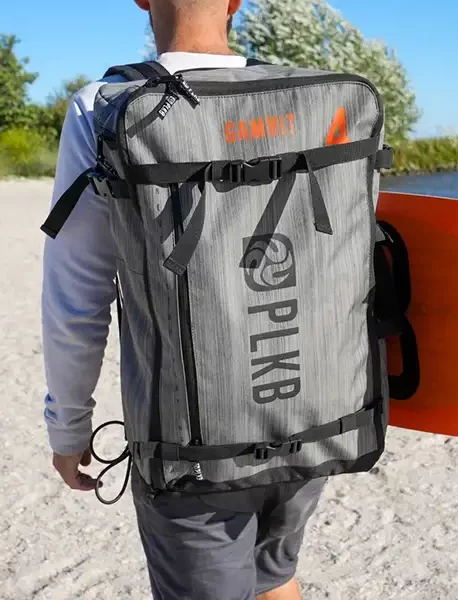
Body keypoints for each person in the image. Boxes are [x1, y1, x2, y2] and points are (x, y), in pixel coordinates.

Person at [41, 1, 326, 598]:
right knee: (276, 575)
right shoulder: (303, 96)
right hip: (309, 412)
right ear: (237, 2)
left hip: (189, 443)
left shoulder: (106, 106)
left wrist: (69, 427)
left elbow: (78, 295)